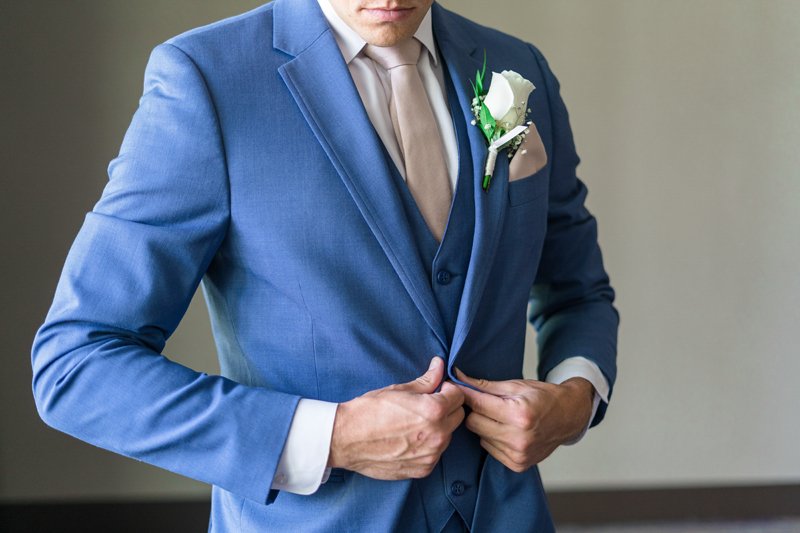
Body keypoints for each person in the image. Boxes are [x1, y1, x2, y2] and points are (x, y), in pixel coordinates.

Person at [31, 0, 618, 531]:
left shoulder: (517, 68)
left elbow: (577, 289)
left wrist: (574, 400)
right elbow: (75, 363)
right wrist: (329, 439)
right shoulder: (207, 79)